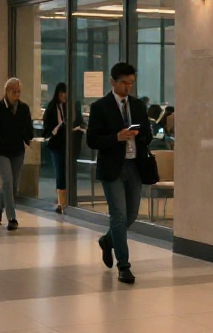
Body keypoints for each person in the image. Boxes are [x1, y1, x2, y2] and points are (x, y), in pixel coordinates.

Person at [87, 62, 152, 285]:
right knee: (119, 215)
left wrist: (139, 135)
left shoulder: (138, 106)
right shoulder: (100, 107)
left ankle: (107, 240)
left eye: (131, 83)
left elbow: (148, 135)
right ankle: (123, 265)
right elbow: (92, 140)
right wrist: (116, 137)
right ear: (113, 82)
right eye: (124, 83)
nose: (128, 87)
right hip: (112, 167)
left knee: (132, 214)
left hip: (135, 165)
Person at [0, 78, 35, 230]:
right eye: (14, 92)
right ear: (7, 91)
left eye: (18, 92)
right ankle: (12, 217)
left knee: (11, 183)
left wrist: (28, 137)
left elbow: (28, 128)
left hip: (17, 150)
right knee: (7, 180)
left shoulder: (24, 108)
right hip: (1, 151)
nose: (16, 95)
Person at [42, 83, 69, 214]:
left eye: (65, 93)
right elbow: (46, 127)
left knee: (68, 172)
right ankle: (61, 202)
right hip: (56, 144)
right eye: (61, 94)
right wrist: (55, 130)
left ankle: (67, 201)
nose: (64, 96)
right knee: (60, 172)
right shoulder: (52, 108)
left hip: (69, 144)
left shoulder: (70, 107)